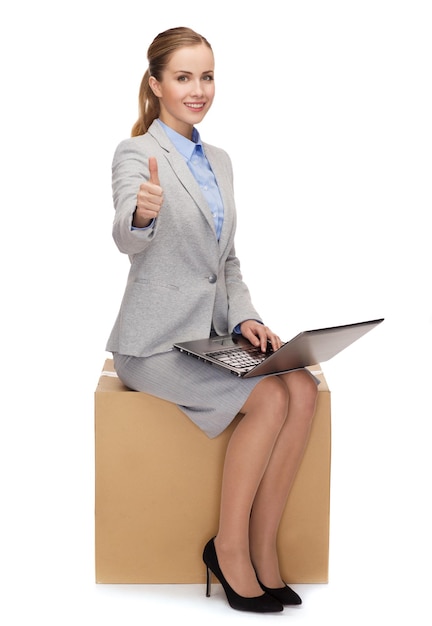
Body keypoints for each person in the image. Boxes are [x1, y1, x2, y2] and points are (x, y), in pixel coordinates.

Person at [106, 26, 318, 614]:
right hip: (153, 345)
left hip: (210, 337)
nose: (198, 89)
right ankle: (227, 549)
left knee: (300, 386)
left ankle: (262, 546)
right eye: (183, 77)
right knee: (268, 400)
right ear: (156, 85)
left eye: (206, 76)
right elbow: (127, 229)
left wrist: (247, 318)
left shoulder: (219, 161)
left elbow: (226, 262)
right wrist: (141, 216)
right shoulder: (137, 153)